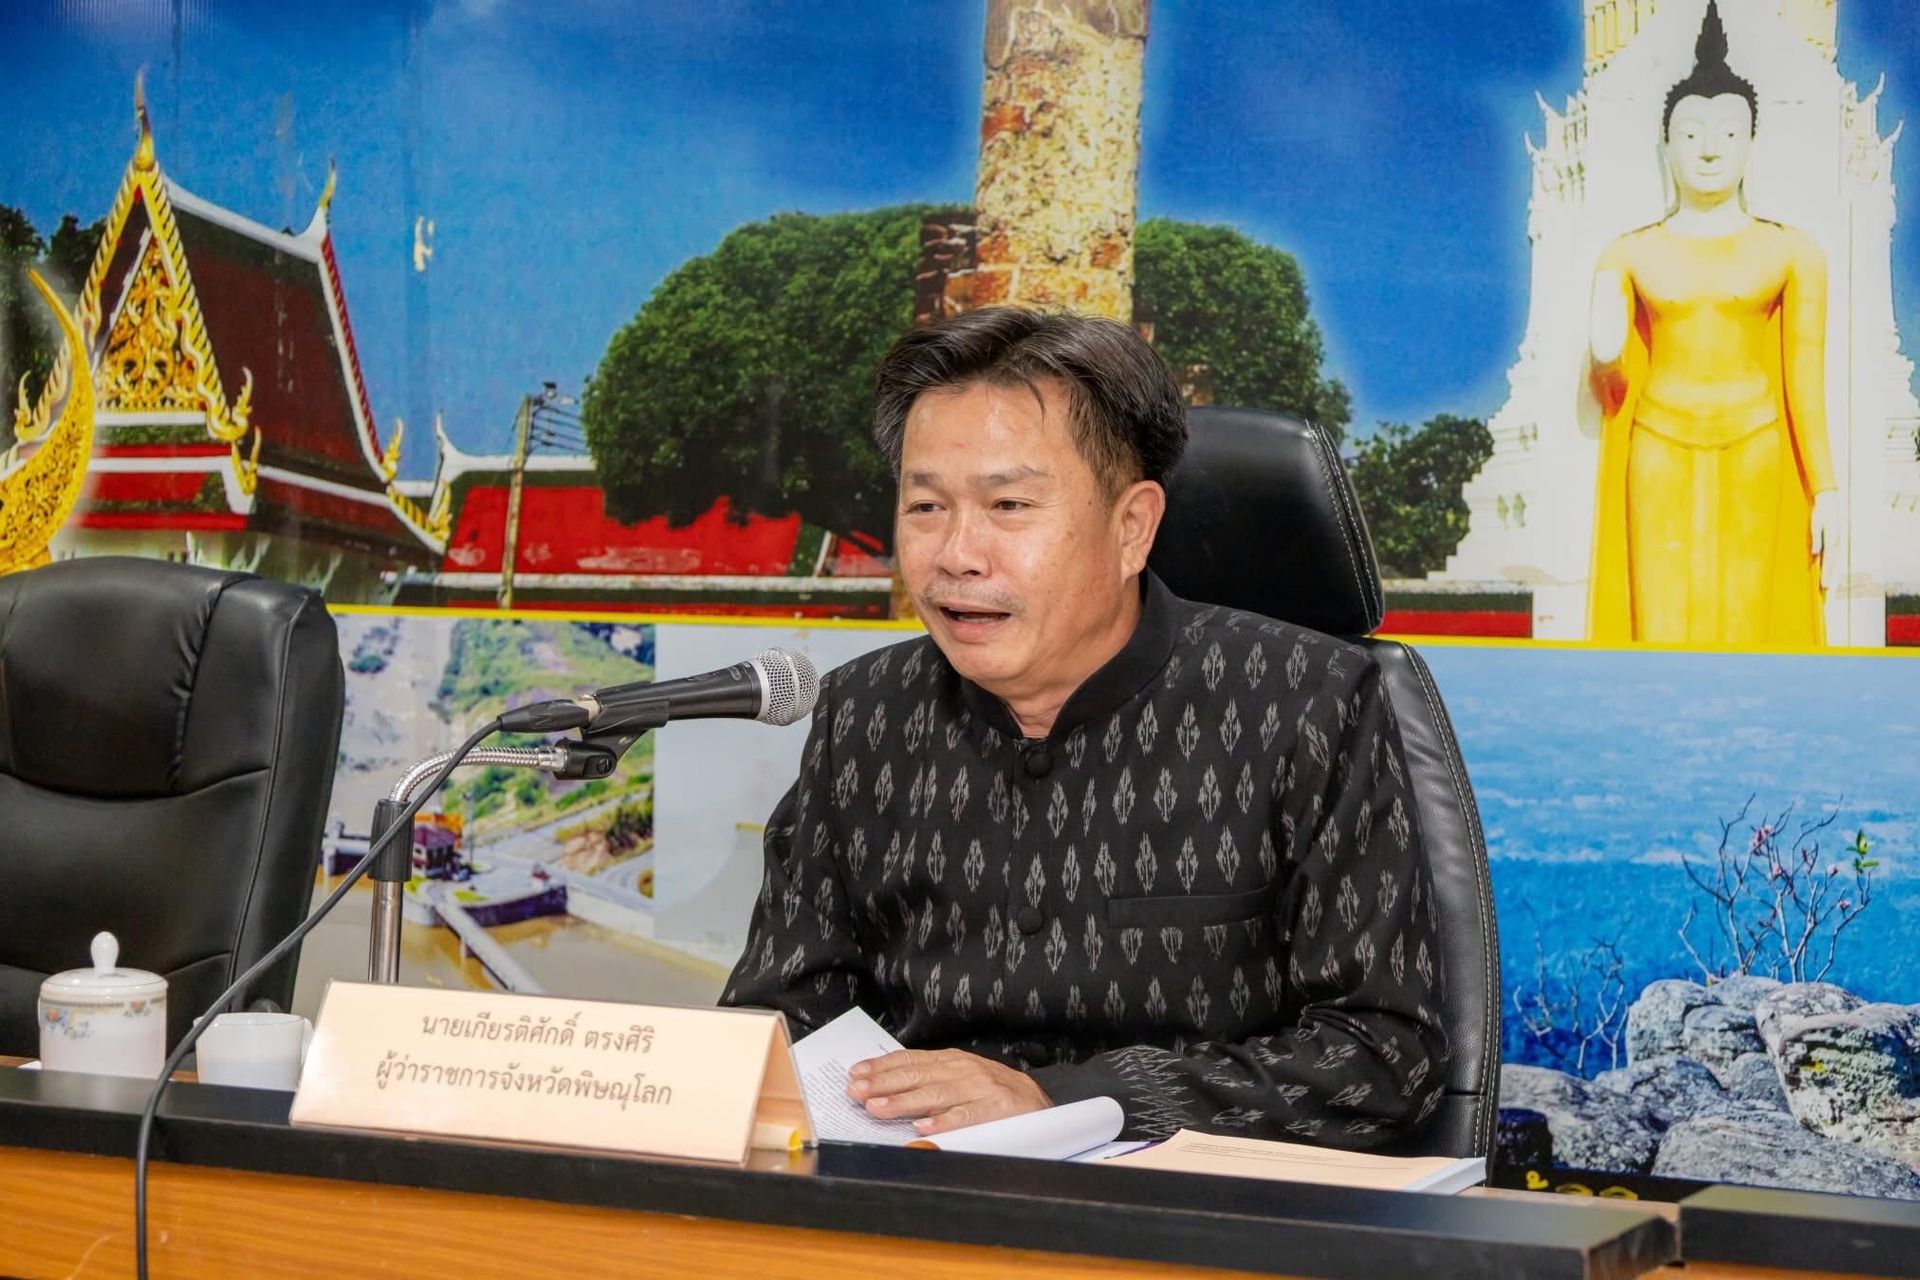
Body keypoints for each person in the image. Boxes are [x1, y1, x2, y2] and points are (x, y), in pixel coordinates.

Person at [721, 306, 1446, 1147]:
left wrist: (1063, 1098)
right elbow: (780, 1017)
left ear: (1132, 527)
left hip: (1191, 1203)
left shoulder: (1302, 701)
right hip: (925, 1191)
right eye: (925, 507)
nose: (956, 554)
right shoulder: (863, 714)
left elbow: (1384, 1054)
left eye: (1009, 504)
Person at [1587, 0, 1838, 645]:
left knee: (1744, 626)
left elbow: (1804, 384)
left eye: (1728, 133)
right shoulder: (1630, 253)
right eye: (1691, 133)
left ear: (1751, 145)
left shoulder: (1790, 252)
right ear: (1666, 144)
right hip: (1658, 437)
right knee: (1659, 625)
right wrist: (1607, 355)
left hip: (1755, 437)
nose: (1707, 150)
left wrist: (1827, 490)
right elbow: (1609, 385)